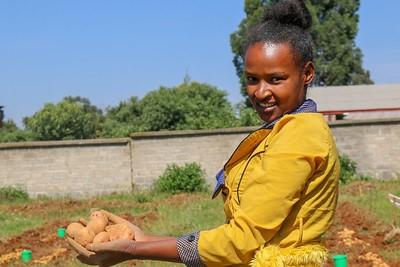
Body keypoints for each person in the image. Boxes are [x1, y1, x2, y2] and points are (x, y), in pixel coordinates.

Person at [69, 0, 340, 266]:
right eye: (252, 79)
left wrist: (134, 249)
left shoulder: (300, 135)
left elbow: (241, 242)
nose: (261, 92)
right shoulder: (280, 131)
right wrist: (143, 238)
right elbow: (245, 244)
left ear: (307, 73)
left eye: (276, 79)